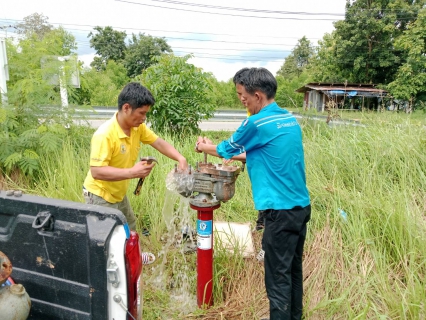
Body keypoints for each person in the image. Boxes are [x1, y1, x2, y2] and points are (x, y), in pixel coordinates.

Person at [195, 67, 311, 320]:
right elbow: (258, 152)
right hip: (300, 208)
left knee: (277, 280)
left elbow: (227, 149)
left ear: (257, 95)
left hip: (279, 212)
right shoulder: (288, 119)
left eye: (242, 95)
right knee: (292, 272)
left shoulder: (256, 122)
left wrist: (204, 147)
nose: (241, 100)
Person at [83, 82, 188, 263]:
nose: (144, 118)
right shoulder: (105, 135)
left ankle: (134, 257)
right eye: (142, 113)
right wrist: (132, 172)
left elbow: (158, 142)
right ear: (126, 108)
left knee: (129, 226)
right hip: (99, 194)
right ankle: (115, 270)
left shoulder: (137, 128)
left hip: (118, 192)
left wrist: (180, 158)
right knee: (106, 238)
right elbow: (97, 172)